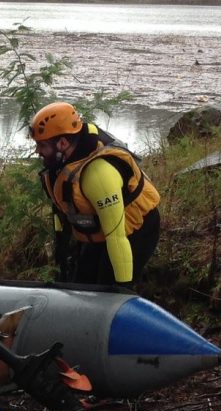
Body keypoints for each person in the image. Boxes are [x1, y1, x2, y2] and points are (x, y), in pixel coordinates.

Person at [30, 101, 161, 289]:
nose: (38, 151)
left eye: (42, 145)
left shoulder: (98, 176)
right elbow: (61, 209)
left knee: (107, 286)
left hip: (135, 230)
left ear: (63, 143)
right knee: (82, 283)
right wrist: (62, 249)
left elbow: (117, 237)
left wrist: (121, 289)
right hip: (100, 230)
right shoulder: (61, 165)